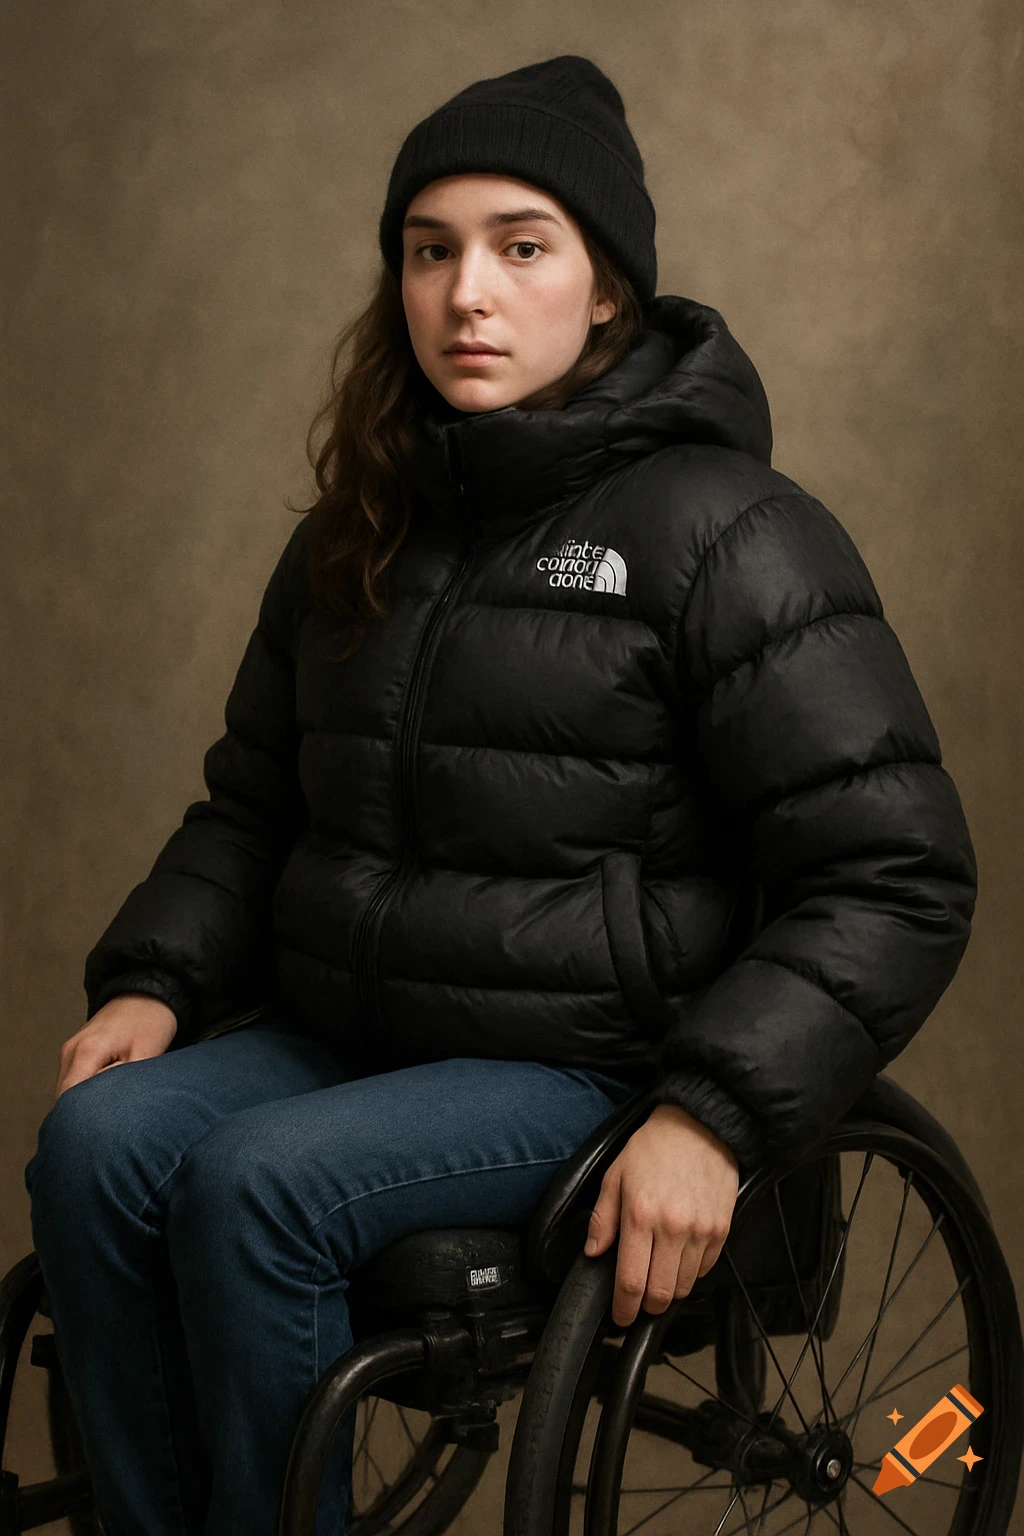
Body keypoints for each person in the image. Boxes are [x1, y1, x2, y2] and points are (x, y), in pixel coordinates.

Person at [24, 52, 977, 1536]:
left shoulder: (729, 534)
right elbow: (254, 804)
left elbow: (896, 869)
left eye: (520, 247)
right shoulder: (364, 526)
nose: (466, 292)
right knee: (96, 1143)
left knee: (254, 1187)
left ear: (606, 287)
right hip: (349, 1032)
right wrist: (154, 980)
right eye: (430, 250)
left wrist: (712, 1117)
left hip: (582, 1061)